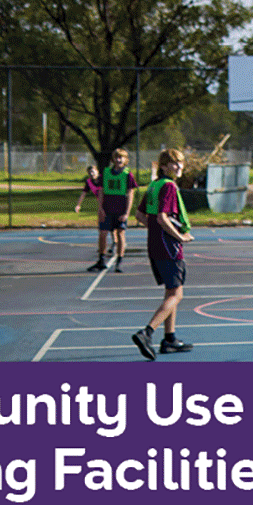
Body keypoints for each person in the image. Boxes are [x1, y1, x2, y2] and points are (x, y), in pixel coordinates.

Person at [130, 149, 195, 361]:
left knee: (171, 291)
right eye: (174, 163)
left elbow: (140, 215)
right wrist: (179, 236)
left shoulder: (153, 185)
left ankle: (170, 339)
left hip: (155, 244)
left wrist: (157, 231)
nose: (178, 167)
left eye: (180, 163)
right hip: (169, 246)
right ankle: (147, 332)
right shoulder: (168, 186)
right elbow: (162, 217)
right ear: (164, 166)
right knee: (177, 294)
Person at [90, 148, 137, 272]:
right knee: (103, 234)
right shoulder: (106, 173)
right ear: (113, 159)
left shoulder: (128, 174)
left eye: (121, 157)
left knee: (120, 233)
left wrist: (126, 213)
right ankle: (101, 260)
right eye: (116, 157)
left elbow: (130, 194)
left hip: (120, 208)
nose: (118, 159)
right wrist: (100, 209)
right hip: (107, 208)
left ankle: (119, 261)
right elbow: (101, 191)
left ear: (126, 160)